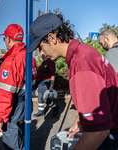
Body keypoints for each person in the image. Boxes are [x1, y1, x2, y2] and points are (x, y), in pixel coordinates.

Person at [26, 13, 118, 150]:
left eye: (40, 47)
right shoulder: (83, 51)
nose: (41, 53)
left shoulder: (82, 64)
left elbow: (98, 132)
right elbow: (95, 102)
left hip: (111, 135)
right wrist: (80, 120)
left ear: (52, 38)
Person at [0, 24, 38, 150]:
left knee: (12, 140)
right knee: (22, 135)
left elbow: (5, 95)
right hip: (26, 104)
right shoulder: (30, 57)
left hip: (14, 107)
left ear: (8, 39)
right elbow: (32, 82)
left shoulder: (11, 61)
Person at [33, 49, 60, 117]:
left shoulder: (50, 63)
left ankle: (55, 107)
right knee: (40, 97)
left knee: (45, 98)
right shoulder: (43, 63)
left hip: (46, 83)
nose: (43, 56)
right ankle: (40, 112)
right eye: (42, 54)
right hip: (40, 83)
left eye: (44, 54)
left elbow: (53, 76)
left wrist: (51, 86)